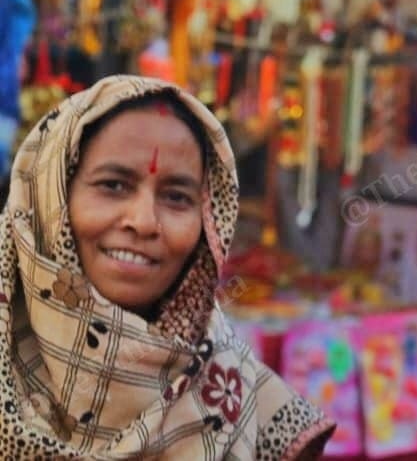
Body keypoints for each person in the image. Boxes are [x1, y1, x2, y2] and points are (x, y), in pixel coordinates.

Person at [1, 75, 334, 458]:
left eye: (176, 197)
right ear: (50, 195)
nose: (143, 221)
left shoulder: (242, 395)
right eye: (113, 185)